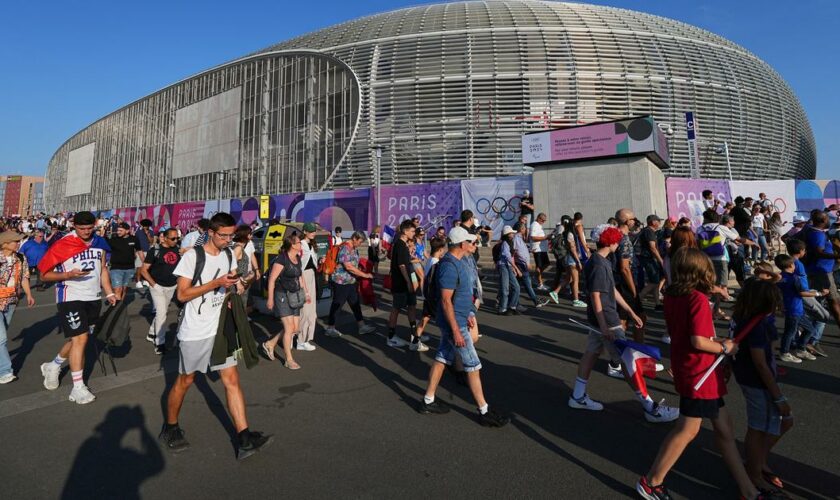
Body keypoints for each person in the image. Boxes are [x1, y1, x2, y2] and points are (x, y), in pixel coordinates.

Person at [637, 247, 760, 500]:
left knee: (725, 429)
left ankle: (748, 490)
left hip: (693, 369)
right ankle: (651, 482)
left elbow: (690, 335)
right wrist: (726, 346)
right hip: (700, 373)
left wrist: (717, 341)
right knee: (688, 430)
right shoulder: (697, 299)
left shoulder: (673, 295)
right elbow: (699, 341)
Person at [160, 212, 272, 459]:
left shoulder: (230, 253)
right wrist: (216, 283)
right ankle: (170, 427)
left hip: (220, 327)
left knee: (232, 380)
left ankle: (244, 437)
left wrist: (236, 287)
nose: (228, 240)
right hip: (195, 330)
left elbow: (230, 284)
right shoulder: (193, 257)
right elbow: (182, 295)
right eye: (224, 236)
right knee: (185, 381)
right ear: (211, 233)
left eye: (232, 235)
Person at [567, 225, 678, 423]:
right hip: (608, 321)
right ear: (610, 242)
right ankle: (650, 407)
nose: (618, 244)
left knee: (591, 355)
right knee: (629, 363)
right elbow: (596, 296)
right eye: (617, 240)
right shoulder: (601, 264)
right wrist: (604, 325)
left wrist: (629, 310)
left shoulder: (599, 260)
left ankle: (577, 395)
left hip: (600, 320)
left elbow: (610, 290)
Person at [418, 226, 509, 427]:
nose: (474, 244)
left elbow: (458, 296)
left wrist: (467, 312)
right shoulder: (449, 266)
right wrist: (457, 330)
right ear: (462, 244)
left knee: (442, 358)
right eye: (471, 242)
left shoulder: (457, 262)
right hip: (454, 324)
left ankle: (428, 400)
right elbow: (445, 301)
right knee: (473, 365)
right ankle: (484, 410)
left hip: (457, 320)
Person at [39, 211, 117, 404]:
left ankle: (53, 365)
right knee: (80, 338)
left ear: (95, 226)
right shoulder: (63, 244)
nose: (85, 232)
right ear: (74, 226)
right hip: (70, 296)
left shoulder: (100, 243)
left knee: (79, 338)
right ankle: (78, 388)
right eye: (81, 228)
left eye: (89, 228)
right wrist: (68, 275)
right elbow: (43, 275)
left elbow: (103, 269)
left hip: (93, 297)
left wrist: (109, 292)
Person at [730, 279, 792, 494]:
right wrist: (778, 396)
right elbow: (760, 362)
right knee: (760, 428)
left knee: (771, 425)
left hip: (750, 379)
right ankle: (754, 473)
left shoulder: (744, 317)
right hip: (758, 383)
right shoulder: (759, 325)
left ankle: (758, 460)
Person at [264, 232, 310, 370]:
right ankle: (288, 360)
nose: (301, 244)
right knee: (289, 328)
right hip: (282, 295)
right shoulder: (281, 259)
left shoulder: (297, 257)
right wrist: (270, 298)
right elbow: (272, 280)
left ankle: (270, 343)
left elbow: (300, 276)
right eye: (299, 243)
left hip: (295, 295)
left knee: (295, 329)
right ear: (292, 245)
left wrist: (306, 292)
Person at [324, 232, 377, 337]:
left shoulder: (353, 248)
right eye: (360, 242)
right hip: (341, 281)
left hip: (351, 281)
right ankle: (330, 328)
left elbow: (353, 264)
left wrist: (360, 270)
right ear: (354, 238)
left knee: (355, 304)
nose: (360, 244)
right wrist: (365, 275)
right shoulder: (345, 248)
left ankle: (361, 326)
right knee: (337, 304)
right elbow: (348, 266)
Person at [0, 232, 35, 384]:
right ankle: (5, 371)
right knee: (1, 339)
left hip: (12, 301)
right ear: (5, 244)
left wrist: (29, 294)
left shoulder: (20, 258)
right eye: (15, 241)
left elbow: (24, 277)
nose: (18, 243)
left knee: (2, 336)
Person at [140, 227, 181, 355]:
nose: (175, 240)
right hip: (157, 286)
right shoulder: (155, 250)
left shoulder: (178, 249)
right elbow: (143, 270)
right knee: (162, 313)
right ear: (164, 237)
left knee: (162, 312)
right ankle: (159, 343)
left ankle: (152, 333)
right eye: (173, 238)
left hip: (172, 286)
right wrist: (154, 284)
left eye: (177, 238)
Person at [387, 219, 427, 350]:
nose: (414, 233)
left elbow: (405, 262)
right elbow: (402, 265)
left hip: (406, 282)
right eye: (412, 231)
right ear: (405, 231)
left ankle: (415, 336)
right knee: (396, 308)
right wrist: (409, 282)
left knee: (412, 306)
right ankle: (391, 337)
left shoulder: (403, 245)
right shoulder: (399, 244)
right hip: (401, 283)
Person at [774, 254, 819, 364]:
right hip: (794, 309)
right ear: (791, 265)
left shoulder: (780, 277)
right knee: (790, 332)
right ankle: (784, 352)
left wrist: (780, 305)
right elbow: (802, 292)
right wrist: (818, 293)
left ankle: (801, 349)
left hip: (794, 309)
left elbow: (778, 293)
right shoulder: (794, 278)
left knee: (809, 329)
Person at [549, 217, 586, 308]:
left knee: (568, 278)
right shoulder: (570, 233)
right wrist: (578, 261)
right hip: (571, 259)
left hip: (566, 258)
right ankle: (576, 300)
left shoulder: (564, 232)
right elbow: (573, 249)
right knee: (575, 280)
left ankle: (555, 292)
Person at [513, 222, 549, 309]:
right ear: (521, 229)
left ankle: (534, 300)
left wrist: (529, 250)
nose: (526, 230)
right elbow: (518, 252)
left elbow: (521, 250)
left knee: (519, 285)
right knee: (524, 284)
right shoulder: (516, 238)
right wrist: (527, 263)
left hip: (521, 264)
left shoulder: (519, 238)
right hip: (522, 265)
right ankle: (534, 301)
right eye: (524, 228)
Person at [417, 237, 447, 338]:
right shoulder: (436, 263)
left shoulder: (430, 259)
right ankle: (448, 340)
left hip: (428, 294)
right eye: (444, 249)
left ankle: (416, 338)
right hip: (433, 295)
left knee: (425, 317)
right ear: (440, 249)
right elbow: (433, 280)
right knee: (444, 319)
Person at [298, 222, 320, 351]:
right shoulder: (300, 244)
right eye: (311, 231)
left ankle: (305, 339)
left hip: (311, 275)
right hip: (303, 276)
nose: (313, 233)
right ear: (305, 231)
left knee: (311, 310)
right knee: (305, 310)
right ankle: (301, 340)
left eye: (314, 231)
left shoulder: (311, 244)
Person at [108, 222, 141, 301]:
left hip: (130, 268)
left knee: (124, 289)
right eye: (118, 230)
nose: (118, 232)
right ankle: (115, 306)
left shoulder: (134, 239)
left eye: (121, 230)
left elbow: (139, 251)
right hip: (116, 268)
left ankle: (120, 305)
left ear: (127, 231)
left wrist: (145, 263)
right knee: (117, 289)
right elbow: (105, 250)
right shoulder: (113, 239)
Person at [638, 215, 665, 311]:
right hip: (649, 259)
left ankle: (657, 303)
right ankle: (638, 299)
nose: (660, 223)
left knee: (656, 282)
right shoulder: (649, 232)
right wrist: (660, 260)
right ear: (653, 222)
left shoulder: (646, 231)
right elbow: (652, 247)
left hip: (647, 259)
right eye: (658, 221)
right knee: (654, 282)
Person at [495, 225, 522, 315]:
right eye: (511, 233)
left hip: (508, 266)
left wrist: (513, 268)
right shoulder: (505, 243)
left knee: (516, 287)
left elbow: (511, 257)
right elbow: (507, 257)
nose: (513, 234)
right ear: (507, 234)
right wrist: (516, 268)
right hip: (503, 266)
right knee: (505, 289)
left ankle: (512, 307)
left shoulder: (510, 242)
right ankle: (502, 309)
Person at [530, 213, 550, 290]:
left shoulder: (538, 225)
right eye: (543, 220)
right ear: (538, 218)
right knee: (539, 266)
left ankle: (535, 277)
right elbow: (533, 237)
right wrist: (545, 237)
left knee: (546, 263)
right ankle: (540, 284)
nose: (544, 222)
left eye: (544, 220)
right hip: (537, 249)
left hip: (542, 249)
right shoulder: (534, 225)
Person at [134, 219, 154, 289]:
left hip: (148, 251)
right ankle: (138, 281)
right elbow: (135, 242)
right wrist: (135, 252)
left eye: (147, 226)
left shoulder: (151, 232)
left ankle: (145, 280)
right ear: (142, 225)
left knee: (146, 267)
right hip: (139, 251)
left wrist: (148, 235)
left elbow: (151, 242)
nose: (146, 227)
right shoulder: (138, 232)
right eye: (145, 226)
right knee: (139, 267)